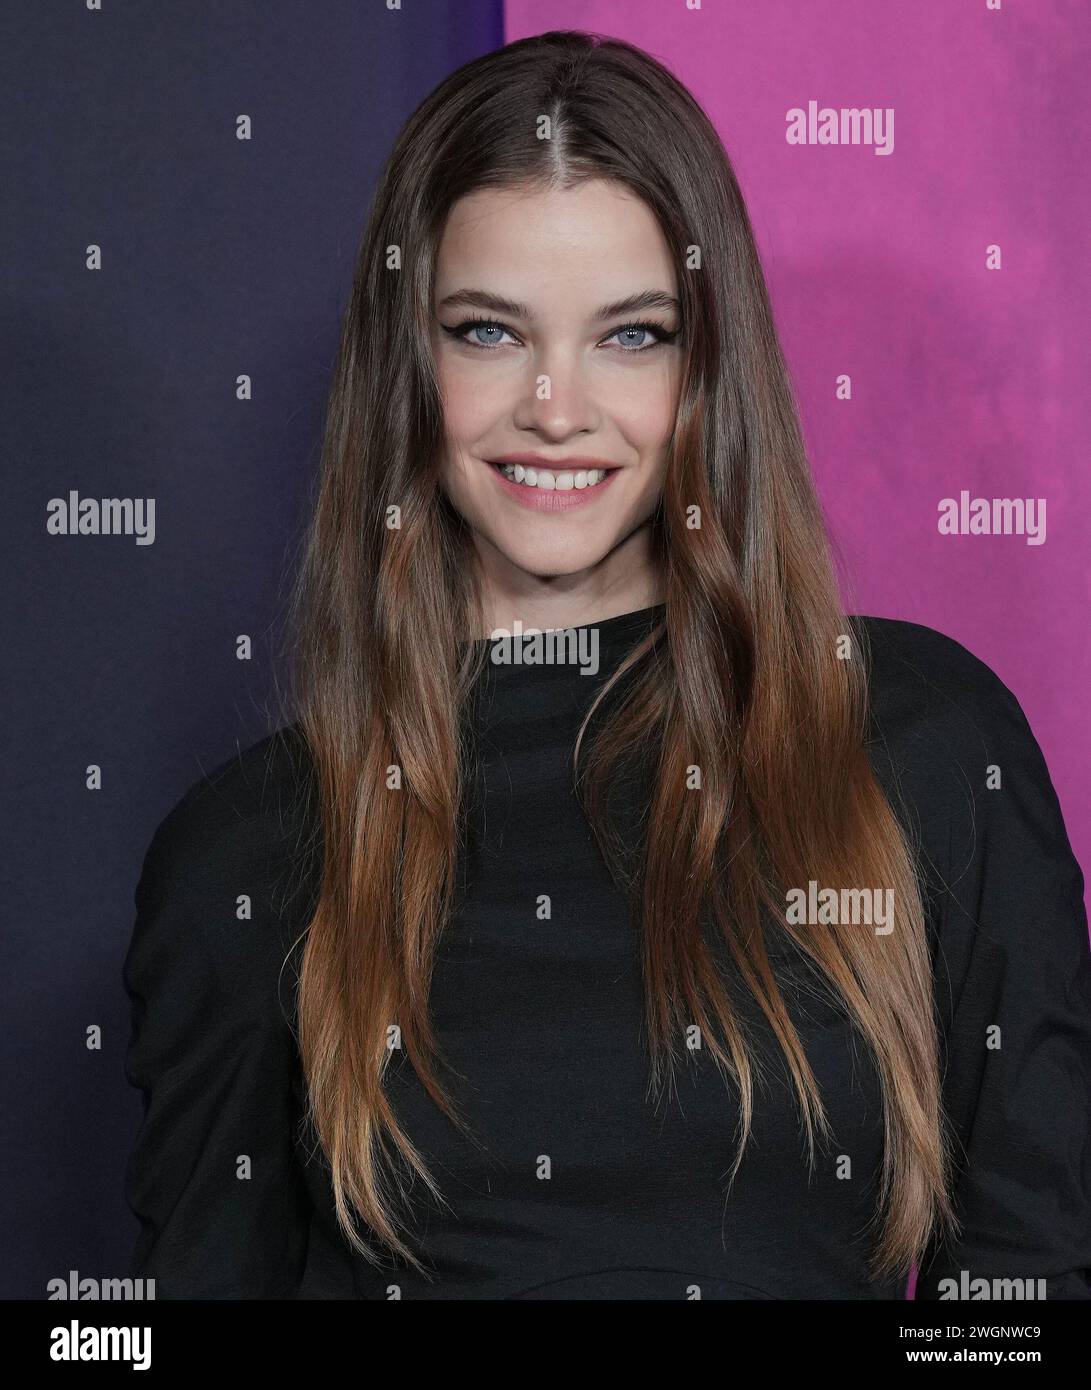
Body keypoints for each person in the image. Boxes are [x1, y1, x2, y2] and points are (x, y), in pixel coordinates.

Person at [122, 30, 1091, 1300]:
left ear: (708, 368)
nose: (556, 407)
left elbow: (1024, 1291)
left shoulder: (919, 744)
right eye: (486, 332)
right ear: (405, 362)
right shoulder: (248, 852)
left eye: (629, 336)